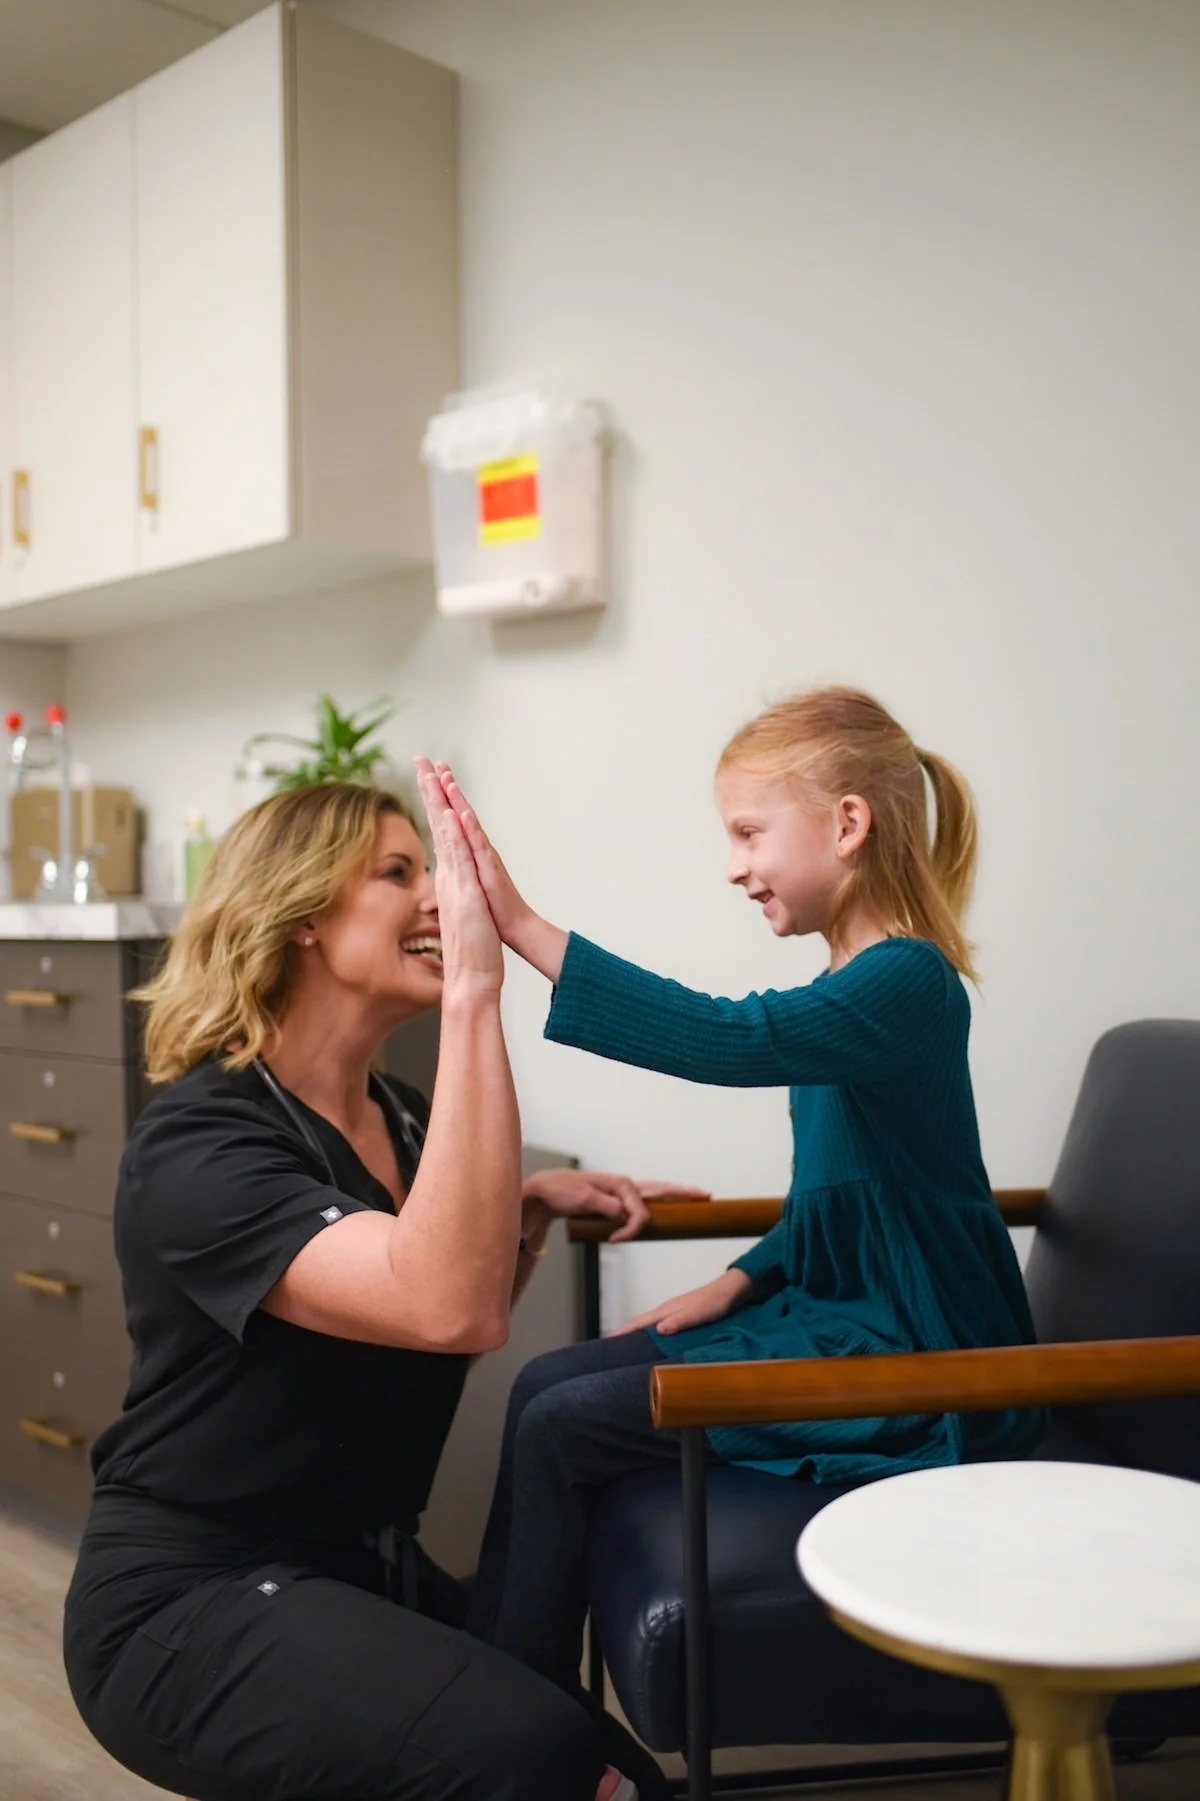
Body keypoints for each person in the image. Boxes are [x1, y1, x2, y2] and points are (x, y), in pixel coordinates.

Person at [63, 775, 701, 1801]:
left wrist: (524, 1206)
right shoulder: (199, 1139)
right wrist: (476, 995)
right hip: (184, 1601)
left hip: (354, 1567)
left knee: (620, 1768)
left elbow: (445, 1303)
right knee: (537, 1752)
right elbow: (449, 1304)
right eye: (400, 874)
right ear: (304, 911)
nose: (444, 900)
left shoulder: (402, 1117)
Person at [435, 685, 1046, 1696]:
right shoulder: (847, 990)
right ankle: (491, 1688)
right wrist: (742, 1276)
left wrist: (523, 927)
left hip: (924, 1358)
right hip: (844, 1318)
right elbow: (843, 1202)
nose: (735, 867)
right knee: (545, 1384)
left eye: (750, 833)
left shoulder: (907, 985)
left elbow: (728, 1036)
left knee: (555, 1419)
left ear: (848, 824)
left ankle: (512, 1731)